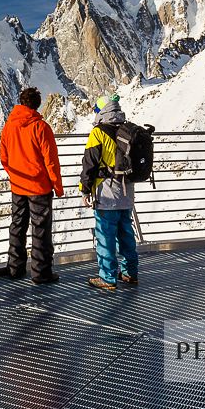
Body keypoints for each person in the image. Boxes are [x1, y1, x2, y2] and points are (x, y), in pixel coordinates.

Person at [0, 87, 65, 284]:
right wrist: (57, 186)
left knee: (17, 226)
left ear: (21, 102)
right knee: (40, 230)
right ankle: (40, 272)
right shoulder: (41, 127)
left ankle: (14, 268)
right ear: (37, 104)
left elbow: (4, 157)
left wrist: (15, 177)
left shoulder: (9, 126)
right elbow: (51, 161)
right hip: (39, 188)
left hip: (18, 187)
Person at [80, 94, 140, 291]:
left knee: (105, 236)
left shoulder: (98, 133)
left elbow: (89, 163)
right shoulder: (128, 130)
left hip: (106, 194)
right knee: (126, 233)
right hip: (127, 192)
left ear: (101, 112)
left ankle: (108, 277)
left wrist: (85, 189)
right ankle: (130, 273)